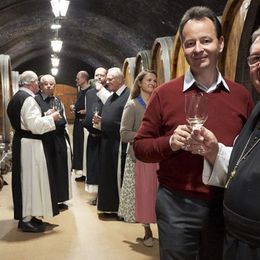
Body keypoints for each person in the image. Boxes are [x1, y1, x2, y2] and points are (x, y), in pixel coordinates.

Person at [133, 6, 254, 260]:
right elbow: (140, 147)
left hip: (223, 206)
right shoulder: (165, 93)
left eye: (206, 40)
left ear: (221, 43)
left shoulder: (241, 96)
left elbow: (249, 155)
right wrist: (170, 143)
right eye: (190, 43)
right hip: (176, 205)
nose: (198, 49)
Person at [189, 27, 260, 260]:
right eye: (255, 59)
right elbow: (245, 164)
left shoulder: (243, 97)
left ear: (219, 44)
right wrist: (214, 150)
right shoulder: (258, 109)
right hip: (236, 240)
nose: (259, 66)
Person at [7, 70, 61, 232]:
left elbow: (26, 121)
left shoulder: (16, 97)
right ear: (31, 83)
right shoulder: (28, 99)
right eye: (37, 82)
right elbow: (35, 126)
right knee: (30, 180)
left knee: (28, 180)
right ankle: (26, 219)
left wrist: (44, 115)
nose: (38, 85)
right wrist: (52, 118)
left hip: (23, 142)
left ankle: (31, 215)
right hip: (30, 145)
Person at [118, 70, 158, 247]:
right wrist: (145, 136)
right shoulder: (132, 105)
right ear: (140, 83)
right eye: (149, 80)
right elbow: (124, 134)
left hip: (157, 156)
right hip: (139, 157)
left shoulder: (158, 104)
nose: (153, 83)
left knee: (156, 195)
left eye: (155, 80)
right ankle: (147, 231)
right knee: (143, 195)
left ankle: (160, 230)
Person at [93, 67, 129, 216]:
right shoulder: (113, 96)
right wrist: (101, 121)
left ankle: (121, 209)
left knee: (117, 175)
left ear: (120, 79)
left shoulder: (127, 96)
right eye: (107, 79)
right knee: (108, 175)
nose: (107, 82)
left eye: (110, 79)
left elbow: (126, 122)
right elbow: (111, 118)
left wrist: (106, 123)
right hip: (108, 141)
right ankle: (111, 207)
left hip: (118, 143)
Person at [35, 74, 72, 210]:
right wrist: (49, 117)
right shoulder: (35, 101)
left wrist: (55, 120)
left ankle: (60, 198)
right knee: (48, 170)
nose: (49, 86)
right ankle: (49, 198)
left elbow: (62, 122)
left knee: (60, 169)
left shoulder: (57, 101)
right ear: (40, 86)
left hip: (58, 139)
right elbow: (35, 122)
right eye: (46, 84)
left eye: (52, 84)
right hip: (44, 140)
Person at [82, 67, 107, 205]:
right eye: (97, 75)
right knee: (94, 165)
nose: (99, 78)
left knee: (103, 166)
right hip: (92, 134)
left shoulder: (109, 92)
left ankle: (103, 195)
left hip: (104, 135)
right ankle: (97, 194)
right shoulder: (89, 93)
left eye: (102, 75)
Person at [71, 71, 91, 181]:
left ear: (84, 79)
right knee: (79, 147)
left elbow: (94, 107)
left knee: (84, 148)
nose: (76, 80)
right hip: (78, 123)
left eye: (78, 78)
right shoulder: (81, 91)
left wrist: (87, 111)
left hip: (85, 124)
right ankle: (82, 172)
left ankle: (87, 173)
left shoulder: (91, 91)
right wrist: (75, 107)